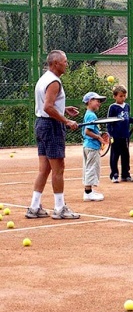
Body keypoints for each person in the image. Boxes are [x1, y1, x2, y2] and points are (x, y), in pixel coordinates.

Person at [25, 50, 81, 220]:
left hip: (41, 125)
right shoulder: (54, 82)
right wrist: (66, 121)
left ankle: (34, 207)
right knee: (58, 168)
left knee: (45, 169)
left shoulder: (44, 79)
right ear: (56, 63)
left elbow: (48, 104)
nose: (66, 64)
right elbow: (48, 107)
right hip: (51, 127)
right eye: (64, 61)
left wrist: (64, 108)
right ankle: (59, 208)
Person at [107, 85, 133, 183]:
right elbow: (109, 122)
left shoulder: (127, 106)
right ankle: (114, 175)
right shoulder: (112, 107)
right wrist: (110, 134)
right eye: (120, 96)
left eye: (124, 96)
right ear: (115, 96)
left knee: (126, 155)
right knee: (115, 155)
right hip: (115, 136)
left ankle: (125, 174)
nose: (123, 98)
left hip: (125, 136)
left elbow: (127, 119)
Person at [82, 92, 107, 201]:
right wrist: (98, 137)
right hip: (92, 146)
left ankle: (89, 191)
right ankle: (88, 193)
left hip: (88, 145)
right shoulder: (91, 115)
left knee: (89, 168)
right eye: (97, 101)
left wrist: (99, 135)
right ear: (90, 101)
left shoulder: (89, 113)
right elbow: (87, 131)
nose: (99, 103)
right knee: (92, 168)